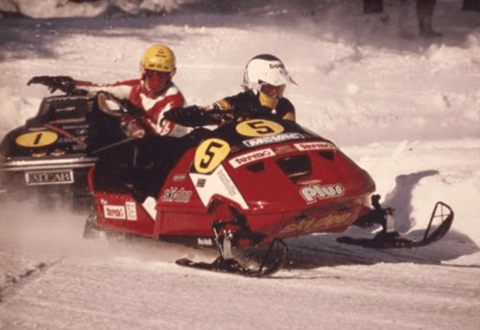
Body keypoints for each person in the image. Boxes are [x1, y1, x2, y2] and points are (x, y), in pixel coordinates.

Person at [163, 54, 297, 127]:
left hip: (269, 158)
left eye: (280, 89)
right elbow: (207, 111)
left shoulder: (285, 107)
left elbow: (292, 135)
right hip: (236, 159)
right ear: (256, 86)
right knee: (196, 139)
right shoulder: (237, 103)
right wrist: (186, 114)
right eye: (271, 89)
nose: (276, 95)